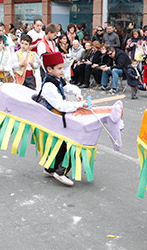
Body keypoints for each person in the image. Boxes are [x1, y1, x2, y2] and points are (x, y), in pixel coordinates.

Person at [39, 52, 88, 187]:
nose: (62, 71)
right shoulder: (49, 86)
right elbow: (60, 105)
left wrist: (77, 93)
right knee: (73, 143)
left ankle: (50, 168)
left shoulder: (56, 79)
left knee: (62, 144)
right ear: (49, 69)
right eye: (59, 68)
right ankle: (61, 172)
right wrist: (79, 105)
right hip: (53, 118)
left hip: (58, 118)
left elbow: (68, 87)